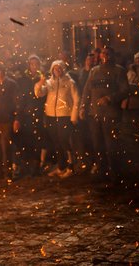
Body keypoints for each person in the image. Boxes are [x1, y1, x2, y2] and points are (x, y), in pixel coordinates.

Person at [79, 46, 129, 181]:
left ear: (112, 55)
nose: (105, 55)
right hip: (95, 114)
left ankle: (115, 174)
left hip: (111, 114)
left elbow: (125, 90)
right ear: (99, 56)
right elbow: (86, 91)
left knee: (111, 145)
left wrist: (110, 98)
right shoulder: (94, 71)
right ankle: (102, 172)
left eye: (108, 53)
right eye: (103, 53)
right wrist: (83, 107)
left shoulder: (118, 71)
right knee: (97, 144)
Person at [35, 60, 80, 178]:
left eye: (59, 68)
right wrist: (40, 83)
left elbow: (76, 99)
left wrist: (74, 115)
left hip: (64, 115)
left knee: (64, 140)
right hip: (51, 116)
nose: (57, 71)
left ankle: (71, 166)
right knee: (56, 142)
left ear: (63, 69)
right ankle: (61, 167)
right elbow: (39, 93)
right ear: (52, 70)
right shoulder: (49, 83)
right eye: (55, 69)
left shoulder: (70, 82)